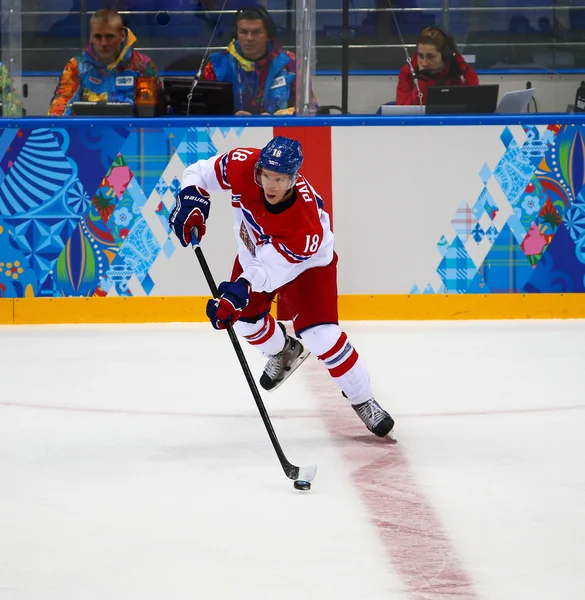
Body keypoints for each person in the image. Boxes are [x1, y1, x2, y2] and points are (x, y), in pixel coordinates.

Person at [167, 136, 395, 438]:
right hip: (258, 255)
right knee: (246, 324)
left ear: (294, 178)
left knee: (321, 336)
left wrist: (238, 292)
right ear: (258, 168)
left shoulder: (306, 225)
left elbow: (267, 272)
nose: (270, 185)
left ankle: (363, 399)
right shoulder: (242, 164)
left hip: (308, 265)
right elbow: (199, 171)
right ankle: (283, 352)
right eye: (266, 175)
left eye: (280, 178)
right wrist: (193, 197)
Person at [201, 7, 314, 116]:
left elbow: (309, 109)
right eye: (244, 32)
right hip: (229, 133)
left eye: (256, 32)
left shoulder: (292, 64)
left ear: (268, 36)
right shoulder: (215, 66)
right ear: (236, 35)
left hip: (280, 132)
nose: (249, 38)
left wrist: (277, 118)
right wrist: (231, 118)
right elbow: (201, 110)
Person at [48, 8, 161, 116]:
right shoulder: (76, 66)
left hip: (132, 133)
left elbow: (157, 112)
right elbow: (61, 105)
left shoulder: (143, 66)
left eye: (109, 36)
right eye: (98, 37)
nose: (104, 43)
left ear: (122, 36)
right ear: (91, 37)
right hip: (86, 133)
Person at [396, 26, 479, 106]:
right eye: (420, 56)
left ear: (445, 55)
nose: (424, 63)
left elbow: (475, 109)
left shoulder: (465, 73)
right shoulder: (408, 73)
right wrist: (423, 80)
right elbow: (404, 113)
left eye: (431, 57)